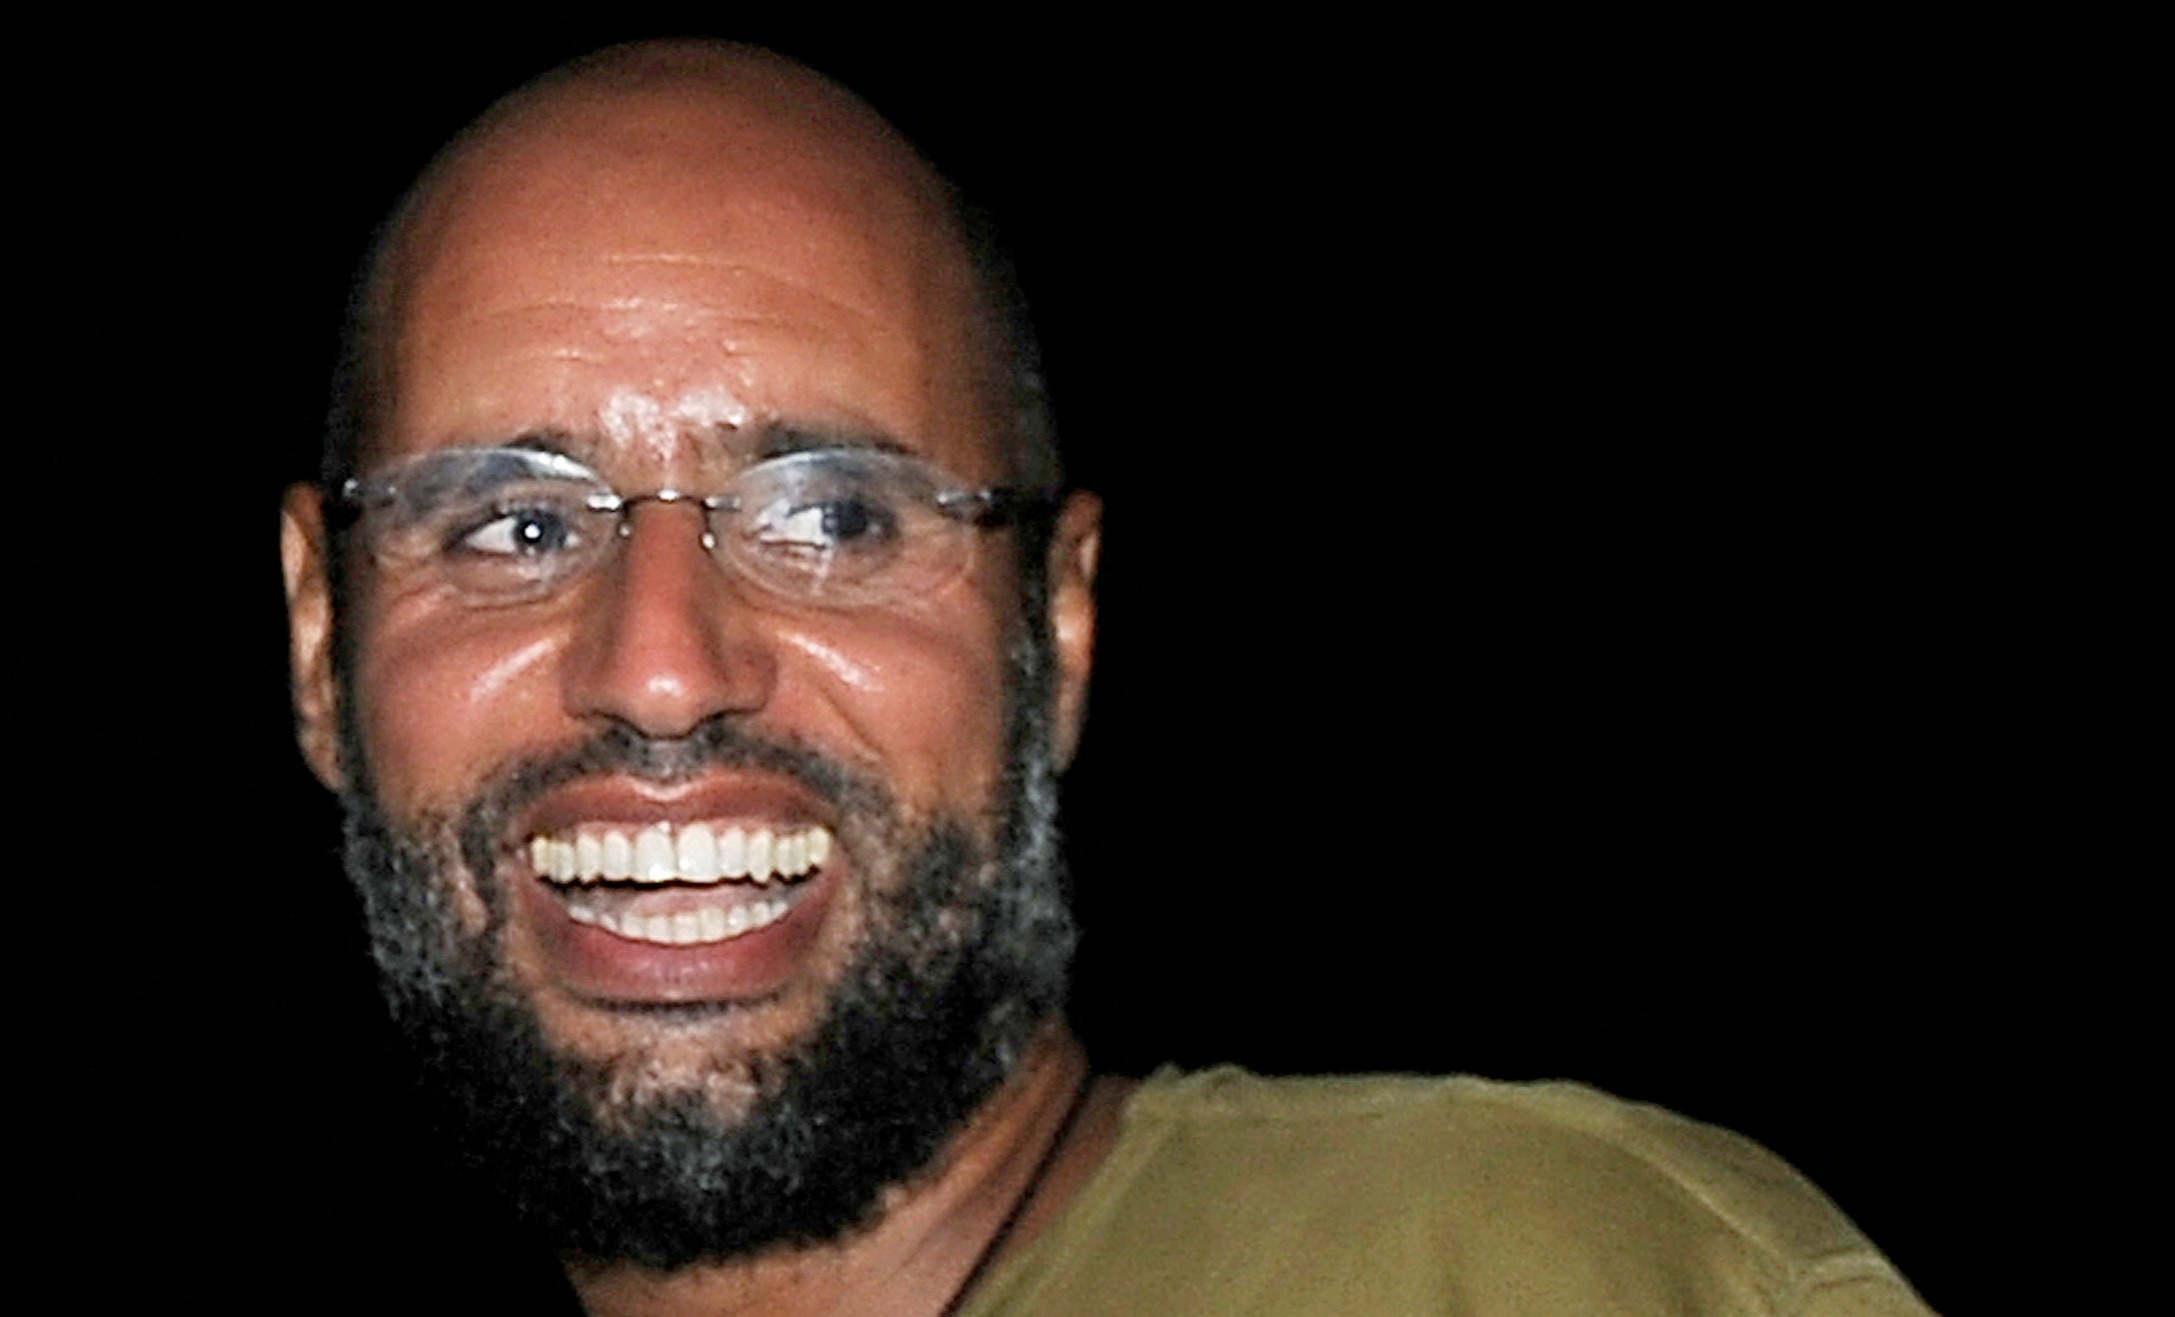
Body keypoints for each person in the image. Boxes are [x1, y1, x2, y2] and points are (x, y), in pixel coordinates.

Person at [278, 38, 1937, 1316]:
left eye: (836, 517)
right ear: (318, 639)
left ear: (1057, 628)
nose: (657, 667)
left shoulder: (1536, 1267)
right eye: (511, 526)